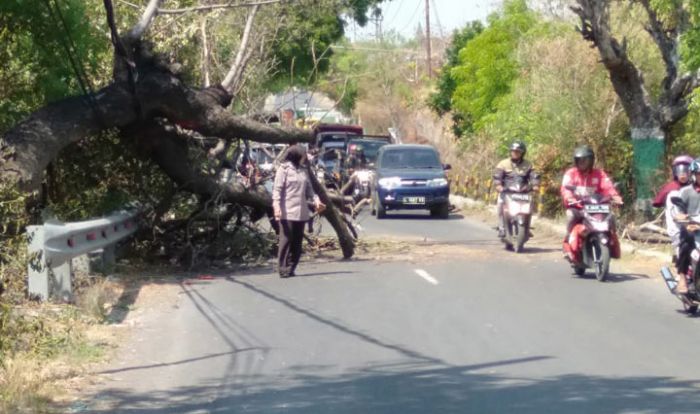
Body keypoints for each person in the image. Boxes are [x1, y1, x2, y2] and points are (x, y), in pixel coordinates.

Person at [560, 145, 623, 260]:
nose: (582, 163)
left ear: (591, 160)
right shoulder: (571, 173)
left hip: (596, 207)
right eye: (579, 160)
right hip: (578, 207)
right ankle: (567, 242)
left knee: (611, 217)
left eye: (585, 160)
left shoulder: (599, 174)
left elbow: (608, 186)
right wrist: (569, 198)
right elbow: (565, 188)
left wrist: (615, 196)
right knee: (570, 216)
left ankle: (612, 243)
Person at [272, 145, 325, 278]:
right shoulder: (283, 170)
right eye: (302, 156)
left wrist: (316, 200)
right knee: (286, 240)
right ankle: (283, 268)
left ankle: (291, 267)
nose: (304, 158)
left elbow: (310, 190)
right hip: (286, 211)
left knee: (297, 242)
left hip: (301, 212)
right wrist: (276, 207)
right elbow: (277, 190)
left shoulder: (303, 170)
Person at [493, 141, 540, 238]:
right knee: (500, 204)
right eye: (513, 151)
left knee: (530, 207)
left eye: (517, 151)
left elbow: (534, 176)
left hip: (523, 192)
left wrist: (535, 185)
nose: (515, 153)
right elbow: (497, 176)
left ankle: (526, 228)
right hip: (507, 191)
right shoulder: (503, 163)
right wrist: (498, 185)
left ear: (522, 153)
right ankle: (502, 227)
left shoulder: (528, 164)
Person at [674, 159, 700, 293]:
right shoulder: (686, 191)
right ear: (694, 175)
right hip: (691, 229)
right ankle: (682, 277)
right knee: (685, 244)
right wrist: (682, 218)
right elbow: (678, 212)